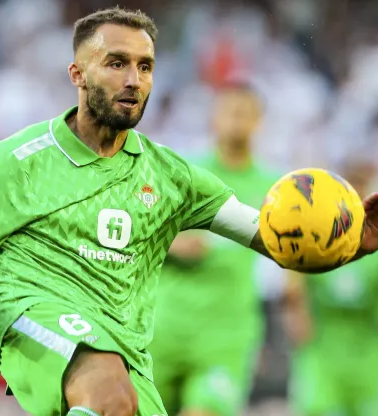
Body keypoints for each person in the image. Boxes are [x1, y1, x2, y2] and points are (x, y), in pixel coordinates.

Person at [0, 7, 378, 416]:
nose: (133, 80)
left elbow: (270, 238)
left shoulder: (172, 176)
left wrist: (347, 248)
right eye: (116, 63)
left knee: (117, 396)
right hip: (33, 314)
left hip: (127, 349)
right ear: (77, 74)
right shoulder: (13, 163)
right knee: (109, 395)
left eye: (145, 67)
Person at [148, 83, 279, 416]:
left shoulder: (275, 189)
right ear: (214, 119)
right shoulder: (184, 174)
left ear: (260, 122)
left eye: (246, 113)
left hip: (226, 336)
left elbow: (298, 248)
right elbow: (135, 232)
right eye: (230, 112)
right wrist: (172, 243)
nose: (238, 121)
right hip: (162, 329)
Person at [282, 159, 378, 416]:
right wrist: (297, 312)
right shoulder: (319, 221)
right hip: (324, 340)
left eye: (362, 184)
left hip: (369, 342)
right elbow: (295, 268)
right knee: (317, 407)